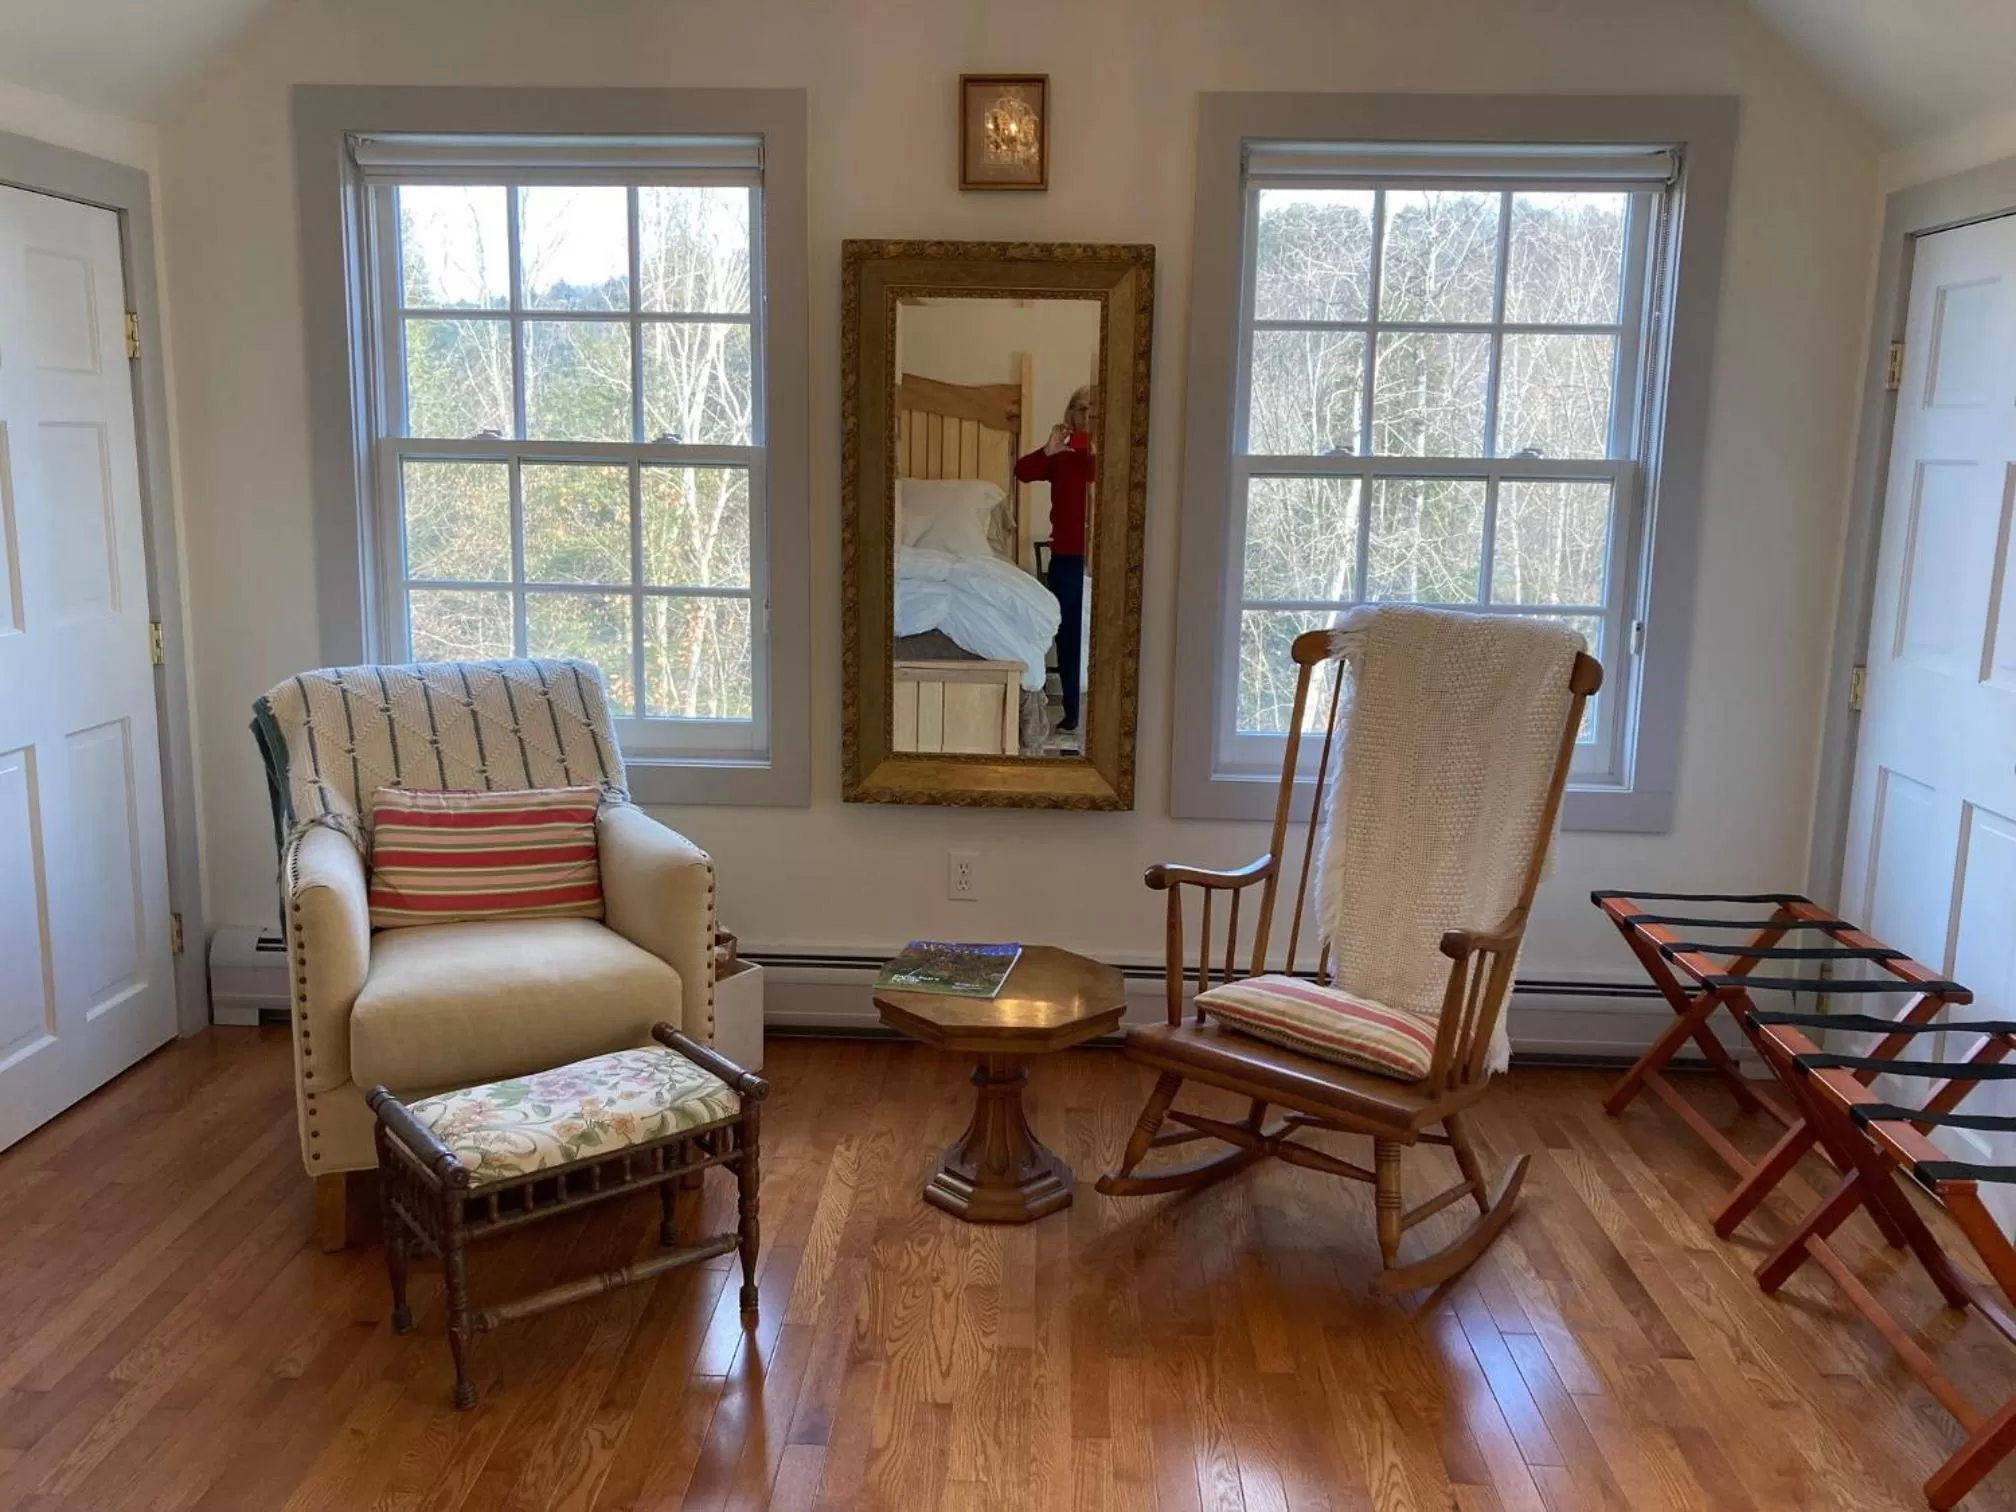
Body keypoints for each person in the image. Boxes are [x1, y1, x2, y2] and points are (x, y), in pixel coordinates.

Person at [1013, 386, 1095, 732]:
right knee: (1068, 635)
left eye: (1093, 410)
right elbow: (1022, 471)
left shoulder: (1113, 453)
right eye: (1080, 409)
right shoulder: (1061, 457)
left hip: (1105, 557)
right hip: (1065, 558)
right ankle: (1073, 712)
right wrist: (1049, 449)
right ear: (1070, 414)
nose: (1086, 416)